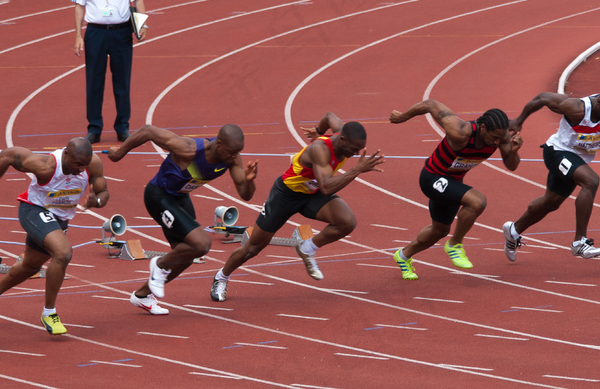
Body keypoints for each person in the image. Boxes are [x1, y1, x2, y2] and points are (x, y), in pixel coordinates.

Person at [210, 112, 384, 302]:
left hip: (311, 194)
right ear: (342, 140)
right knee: (253, 248)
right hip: (286, 195)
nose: (356, 154)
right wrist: (356, 169)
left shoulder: (341, 130)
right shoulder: (320, 150)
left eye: (359, 150)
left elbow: (329, 116)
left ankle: (307, 248)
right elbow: (326, 187)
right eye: (354, 149)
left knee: (347, 221)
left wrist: (318, 130)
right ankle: (221, 276)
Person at [107, 124, 258, 315]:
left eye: (238, 152)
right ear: (219, 144)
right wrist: (120, 152)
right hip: (158, 196)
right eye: (232, 151)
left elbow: (246, 195)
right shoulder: (188, 149)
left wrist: (250, 181)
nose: (235, 156)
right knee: (202, 244)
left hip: (179, 198)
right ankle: (159, 265)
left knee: (187, 255)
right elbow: (148, 131)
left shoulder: (232, 159)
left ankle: (142, 296)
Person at [0, 138, 109, 335]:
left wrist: (96, 201)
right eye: (78, 164)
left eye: (84, 165)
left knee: (29, 267)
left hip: (59, 219)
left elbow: (103, 192)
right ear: (66, 155)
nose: (81, 170)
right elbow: (6, 155)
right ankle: (49, 313)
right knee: (63, 253)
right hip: (34, 210)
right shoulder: (46, 166)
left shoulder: (92, 164)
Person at [389, 100, 522, 279]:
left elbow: (512, 166)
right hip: (431, 178)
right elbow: (430, 104)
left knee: (439, 230)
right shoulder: (460, 131)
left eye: (501, 138)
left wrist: (513, 151)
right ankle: (454, 245)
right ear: (483, 128)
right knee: (477, 201)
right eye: (494, 138)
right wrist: (402, 117)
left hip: (452, 183)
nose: (498, 142)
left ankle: (403, 256)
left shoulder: (502, 137)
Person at [502, 87, 600, 261]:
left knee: (550, 203)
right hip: (557, 152)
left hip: (578, 160)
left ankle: (513, 231)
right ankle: (579, 242)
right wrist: (519, 121)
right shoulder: (576, 108)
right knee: (591, 181)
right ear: (599, 100)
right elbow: (542, 98)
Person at [72, 0, 148, 144]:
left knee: (122, 82)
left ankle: (122, 127)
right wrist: (78, 35)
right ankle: (94, 129)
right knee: (94, 82)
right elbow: (79, 6)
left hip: (121, 31)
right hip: (95, 32)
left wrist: (142, 26)